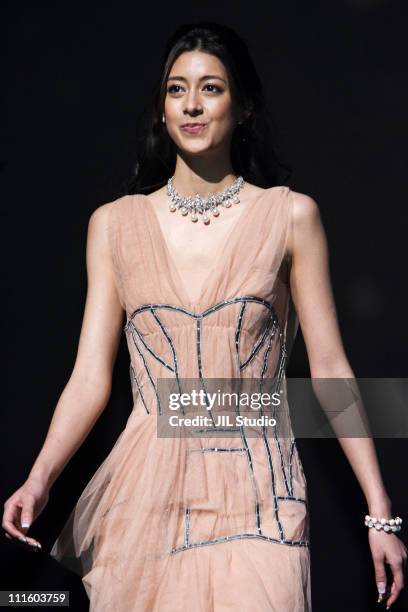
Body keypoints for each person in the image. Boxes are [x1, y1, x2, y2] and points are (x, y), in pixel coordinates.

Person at [2, 21, 406, 612]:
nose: (191, 104)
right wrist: (39, 478)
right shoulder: (115, 225)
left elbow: (330, 369)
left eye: (211, 88)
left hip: (260, 491)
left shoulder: (289, 216)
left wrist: (380, 514)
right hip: (146, 491)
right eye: (176, 89)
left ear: (241, 107)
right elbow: (91, 374)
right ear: (162, 108)